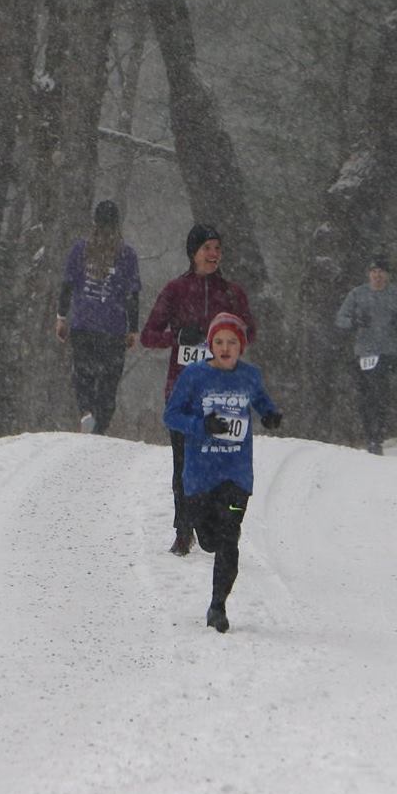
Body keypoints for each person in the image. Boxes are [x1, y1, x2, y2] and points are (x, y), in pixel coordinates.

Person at [163, 312, 283, 633]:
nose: (225, 347)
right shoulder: (194, 377)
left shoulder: (250, 376)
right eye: (219, 342)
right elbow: (171, 416)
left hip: (236, 475)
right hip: (200, 477)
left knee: (229, 538)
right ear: (210, 345)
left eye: (232, 342)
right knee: (210, 540)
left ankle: (218, 606)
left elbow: (261, 402)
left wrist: (270, 415)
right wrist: (201, 426)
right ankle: (210, 535)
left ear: (241, 346)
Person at [140, 223, 256, 555]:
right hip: (184, 392)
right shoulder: (175, 290)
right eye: (208, 248)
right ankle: (183, 529)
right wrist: (177, 338)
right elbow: (149, 335)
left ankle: (220, 527)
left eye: (218, 248)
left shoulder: (231, 293)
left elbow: (251, 331)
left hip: (223, 393)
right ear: (193, 253)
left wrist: (230, 339)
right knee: (184, 464)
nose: (214, 254)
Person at [55, 199, 141, 435]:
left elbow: (67, 285)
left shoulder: (80, 249)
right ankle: (100, 427)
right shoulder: (127, 255)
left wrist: (61, 317)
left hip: (83, 324)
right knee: (109, 381)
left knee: (82, 374)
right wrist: (133, 328)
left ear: (94, 221)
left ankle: (86, 412)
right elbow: (132, 295)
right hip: (113, 328)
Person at [332, 253, 397, 455]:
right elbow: (340, 318)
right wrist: (355, 322)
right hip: (362, 353)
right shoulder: (357, 294)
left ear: (387, 275)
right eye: (374, 272)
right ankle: (370, 437)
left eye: (381, 272)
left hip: (386, 351)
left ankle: (377, 437)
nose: (377, 276)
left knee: (380, 394)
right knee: (365, 397)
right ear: (369, 275)